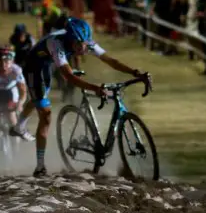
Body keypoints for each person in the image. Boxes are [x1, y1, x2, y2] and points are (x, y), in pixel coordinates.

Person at [10, 17, 150, 177]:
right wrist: (95, 88)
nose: (83, 48)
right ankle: (40, 166)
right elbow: (68, 77)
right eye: (78, 44)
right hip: (35, 66)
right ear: (70, 40)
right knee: (46, 114)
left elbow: (110, 60)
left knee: (37, 100)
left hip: (49, 63)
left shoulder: (84, 41)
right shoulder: (56, 44)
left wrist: (135, 73)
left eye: (85, 44)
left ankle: (19, 125)